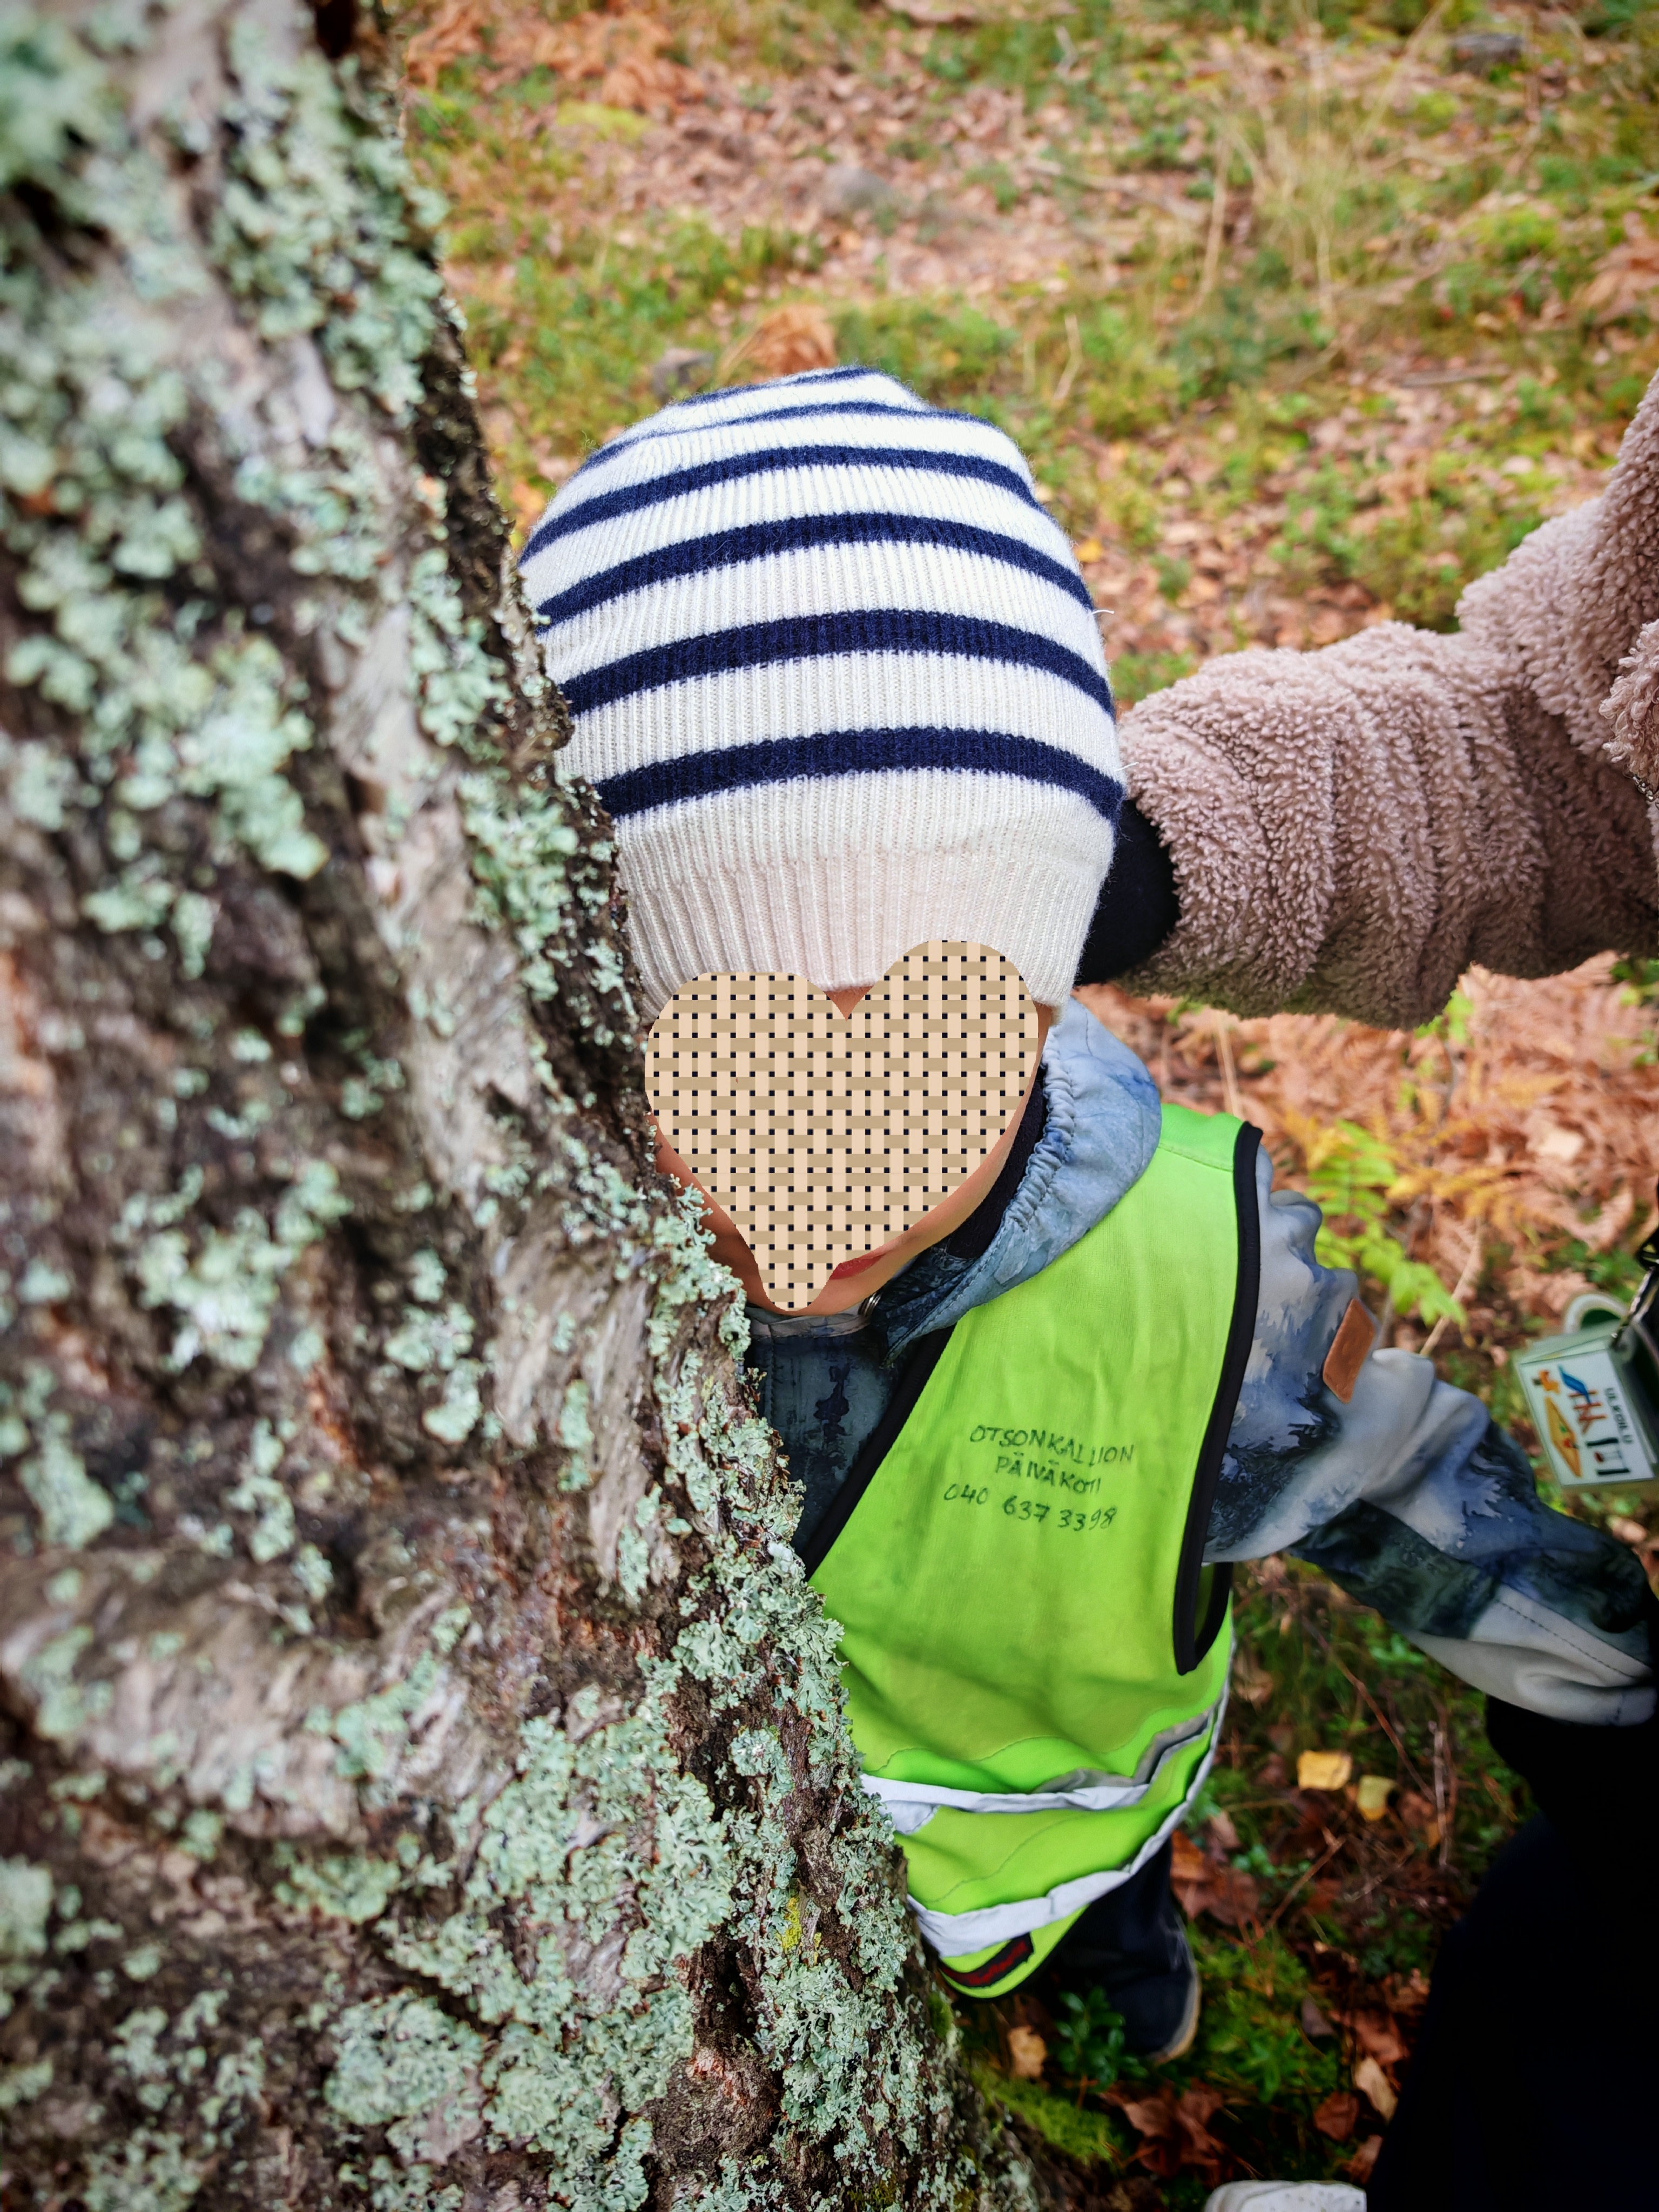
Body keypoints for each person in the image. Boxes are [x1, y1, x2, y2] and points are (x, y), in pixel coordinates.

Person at [518, 370, 1655, 2184]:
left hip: (1069, 1807)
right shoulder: (530, 1266)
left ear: (1046, 996)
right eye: (715, 1053)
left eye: (939, 1045)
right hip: (741, 1840)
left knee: (1106, 1907)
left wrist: (1603, 1688)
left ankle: (1131, 1956)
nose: (830, 1165)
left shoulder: (1205, 1289)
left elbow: (1404, 1482)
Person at [1084, 369, 1659, 2212]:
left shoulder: (1161, 1257)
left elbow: (1359, 1451)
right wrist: (1130, 844)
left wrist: (1579, 1656)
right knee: (1557, 1977)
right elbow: (1552, 748)